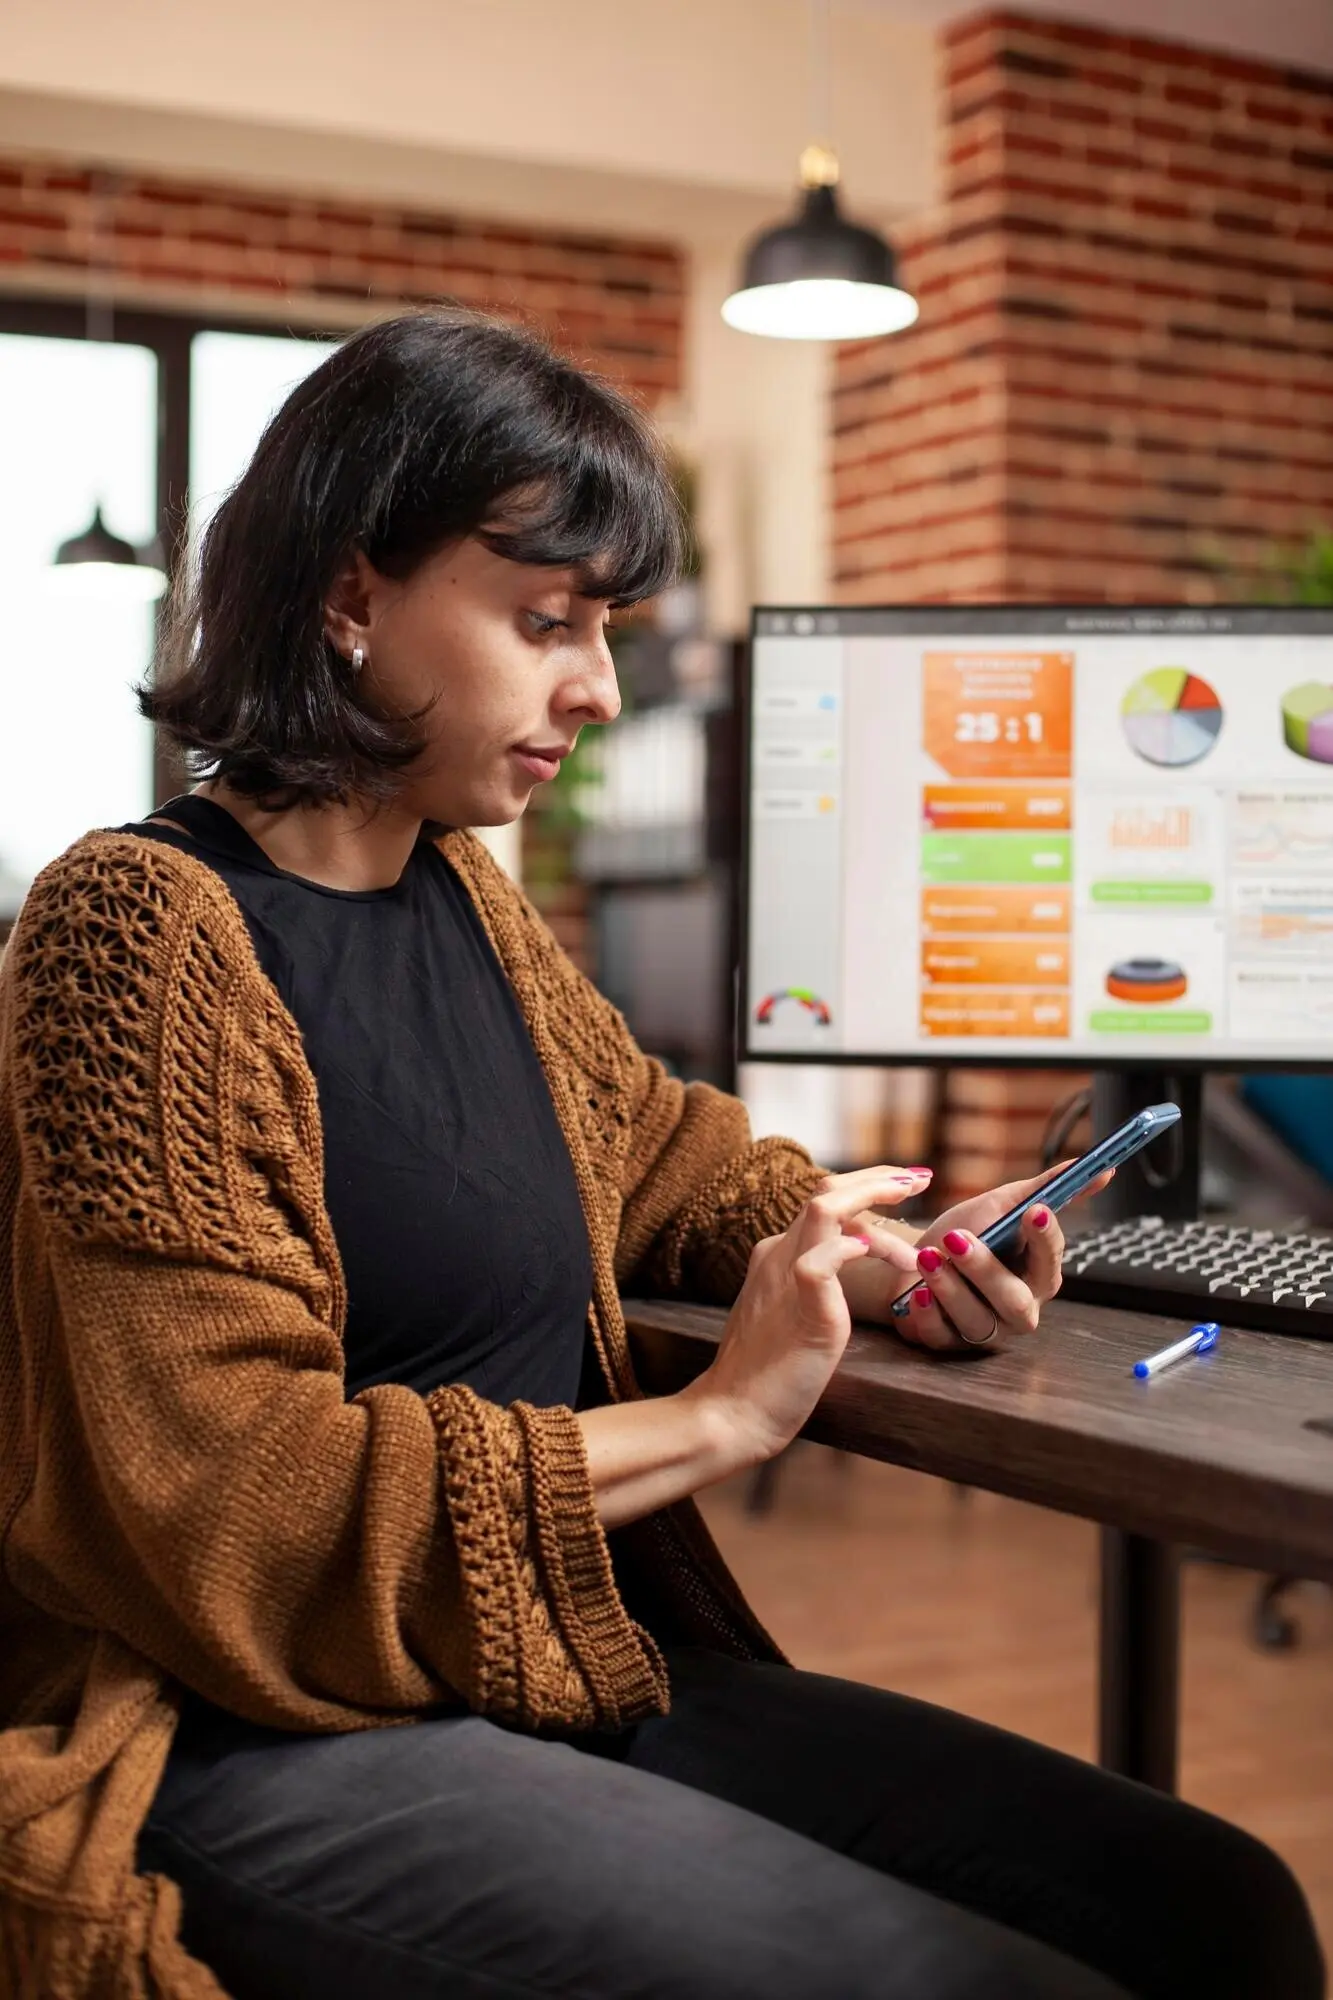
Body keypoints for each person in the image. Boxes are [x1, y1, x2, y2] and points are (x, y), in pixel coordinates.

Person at [0, 309, 1320, 2000]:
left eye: (607, 627)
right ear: (349, 598)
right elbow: (230, 1510)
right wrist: (718, 1415)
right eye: (546, 620)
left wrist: (869, 1241)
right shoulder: (138, 927)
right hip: (248, 1715)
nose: (599, 687)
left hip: (522, 1653)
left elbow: (658, 1153)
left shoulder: (460, 889)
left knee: (1216, 1906)